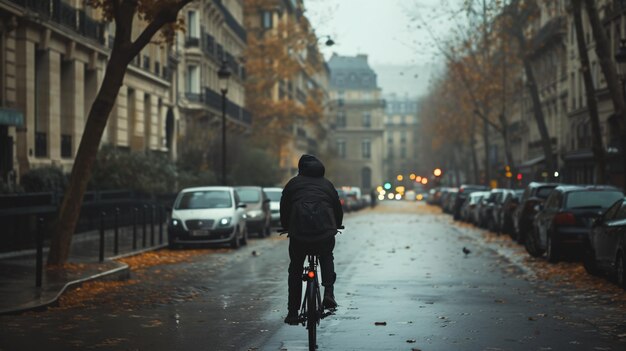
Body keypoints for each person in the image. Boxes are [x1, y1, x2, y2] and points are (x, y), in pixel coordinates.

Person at [280, 154, 343, 325]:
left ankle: (293, 312)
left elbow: (284, 208)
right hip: (324, 233)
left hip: (299, 235)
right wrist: (337, 225)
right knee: (326, 255)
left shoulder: (293, 184)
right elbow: (337, 208)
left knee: (295, 269)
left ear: (300, 169)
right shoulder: (327, 184)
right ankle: (328, 293)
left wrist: (286, 226)